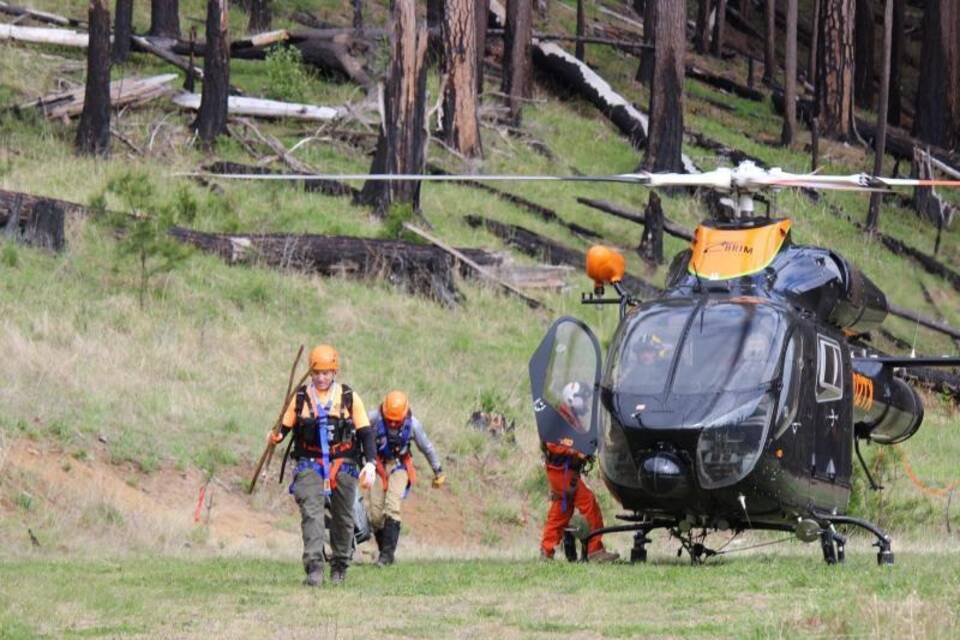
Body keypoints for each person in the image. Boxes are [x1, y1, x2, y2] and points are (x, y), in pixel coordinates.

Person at [269, 344, 377, 586]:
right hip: (309, 463)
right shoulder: (299, 398)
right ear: (310, 372)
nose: (321, 378)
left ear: (334, 372)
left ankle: (339, 565)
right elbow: (283, 429)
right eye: (317, 373)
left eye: (326, 372)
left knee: (343, 516)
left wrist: (370, 463)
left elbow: (366, 433)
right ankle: (314, 567)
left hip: (345, 464)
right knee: (312, 513)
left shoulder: (349, 397)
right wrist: (275, 436)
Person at [540, 382, 619, 563]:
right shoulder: (561, 418)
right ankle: (595, 550)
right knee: (589, 505)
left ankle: (547, 551)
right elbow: (554, 443)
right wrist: (576, 451)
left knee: (561, 512)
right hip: (563, 473)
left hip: (564, 473)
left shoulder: (570, 417)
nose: (585, 402)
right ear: (571, 399)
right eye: (582, 399)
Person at [365, 390, 445, 566]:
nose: (393, 424)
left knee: (392, 506)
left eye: (397, 421)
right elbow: (357, 431)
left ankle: (386, 556)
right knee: (376, 514)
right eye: (390, 420)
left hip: (399, 466)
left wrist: (438, 470)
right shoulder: (373, 418)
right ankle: (383, 551)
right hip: (377, 466)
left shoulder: (413, 425)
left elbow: (427, 447)